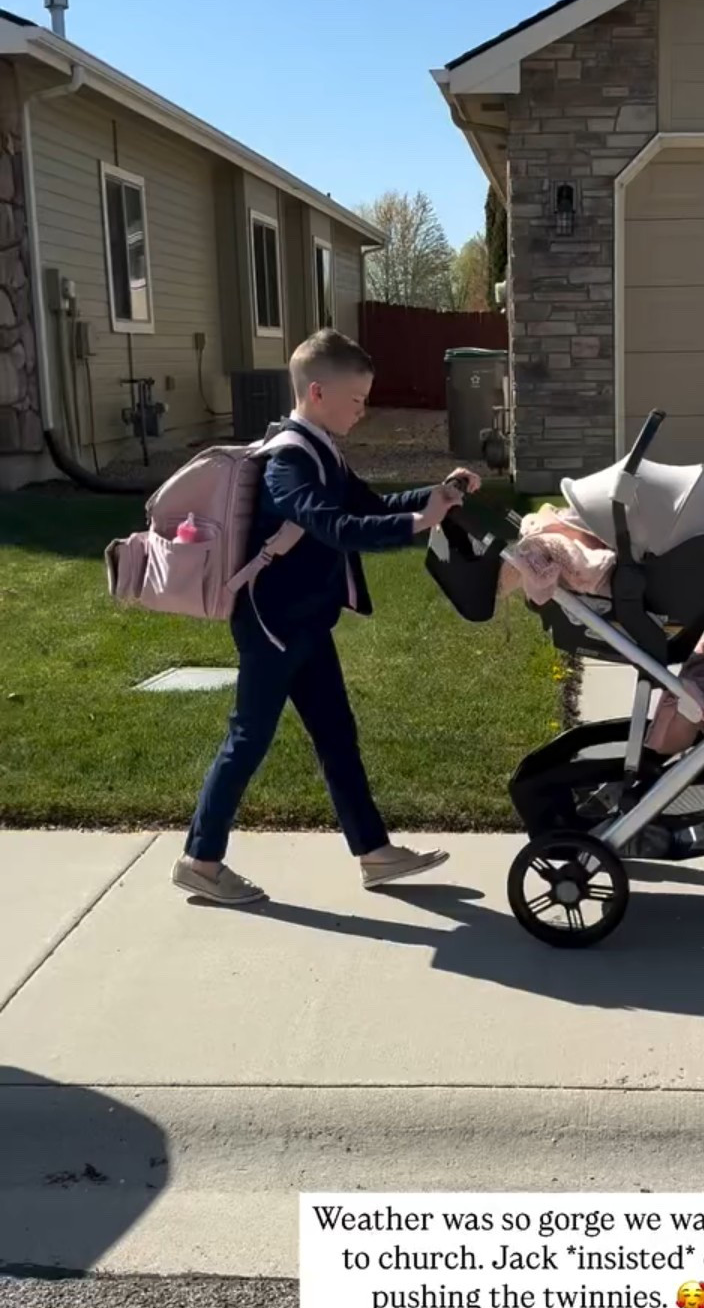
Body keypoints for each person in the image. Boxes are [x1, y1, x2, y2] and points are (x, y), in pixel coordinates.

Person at [172, 327, 480, 906]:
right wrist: (420, 523)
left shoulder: (322, 450)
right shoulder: (288, 461)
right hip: (273, 625)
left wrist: (435, 495)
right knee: (248, 739)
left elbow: (368, 506)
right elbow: (334, 527)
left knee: (338, 736)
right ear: (318, 392)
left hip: (308, 621)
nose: (363, 412)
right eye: (358, 399)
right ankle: (200, 861)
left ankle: (374, 853)